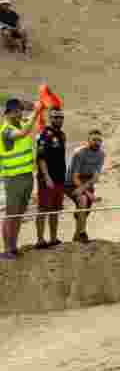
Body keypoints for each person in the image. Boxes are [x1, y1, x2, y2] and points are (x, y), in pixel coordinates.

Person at [1, 99, 44, 259]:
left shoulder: (21, 122)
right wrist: (36, 111)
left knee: (19, 214)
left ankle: (13, 246)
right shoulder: (6, 131)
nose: (21, 114)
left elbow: (31, 118)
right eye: (18, 111)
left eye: (21, 111)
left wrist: (40, 101)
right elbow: (23, 133)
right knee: (11, 214)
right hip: (13, 179)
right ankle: (6, 249)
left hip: (26, 177)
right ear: (10, 112)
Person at [34, 108, 67, 249]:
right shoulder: (44, 135)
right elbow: (40, 158)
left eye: (60, 117)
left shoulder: (62, 135)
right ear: (50, 118)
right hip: (46, 179)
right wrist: (47, 177)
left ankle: (53, 238)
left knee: (55, 209)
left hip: (59, 178)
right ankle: (40, 240)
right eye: (55, 117)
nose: (58, 120)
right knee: (43, 209)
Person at [67, 128, 104, 243]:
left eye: (99, 140)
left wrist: (86, 189)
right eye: (94, 140)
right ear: (88, 140)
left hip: (87, 182)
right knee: (83, 199)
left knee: (85, 210)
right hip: (71, 183)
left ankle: (76, 235)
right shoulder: (79, 153)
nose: (97, 142)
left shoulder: (101, 154)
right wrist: (88, 193)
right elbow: (74, 177)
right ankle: (82, 233)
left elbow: (95, 177)